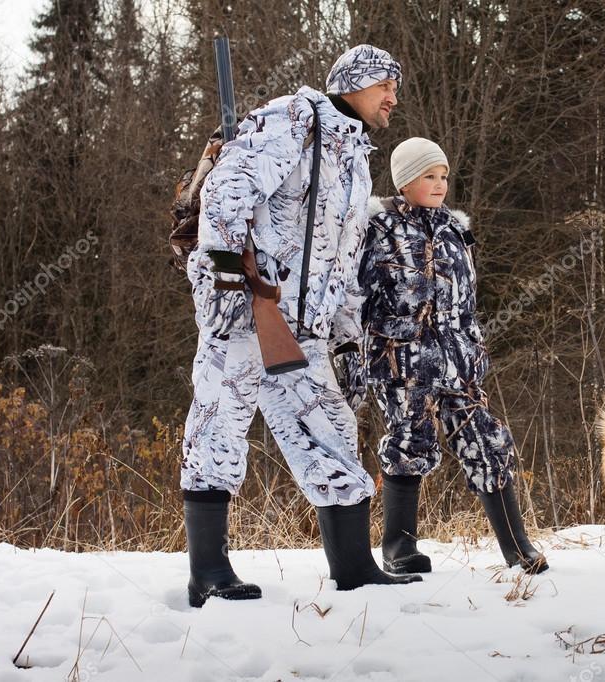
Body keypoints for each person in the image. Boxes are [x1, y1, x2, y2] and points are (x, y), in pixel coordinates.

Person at [180, 45, 421, 607]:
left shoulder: (356, 160)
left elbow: (343, 250)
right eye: (385, 84)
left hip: (301, 333)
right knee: (219, 429)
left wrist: (348, 324)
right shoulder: (294, 119)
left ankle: (356, 569)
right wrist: (226, 289)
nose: (392, 97)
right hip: (243, 317)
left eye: (395, 87)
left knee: (332, 433)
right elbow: (224, 196)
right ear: (353, 82)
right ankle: (208, 573)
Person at [353, 137, 549, 575]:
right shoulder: (377, 230)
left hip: (458, 360)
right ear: (405, 181)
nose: (440, 184)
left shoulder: (455, 230)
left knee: (485, 439)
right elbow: (357, 297)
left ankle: (517, 547)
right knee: (409, 443)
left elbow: (466, 301)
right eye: (428, 176)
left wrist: (473, 347)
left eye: (443, 176)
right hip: (402, 361)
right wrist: (358, 354)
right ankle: (398, 547)